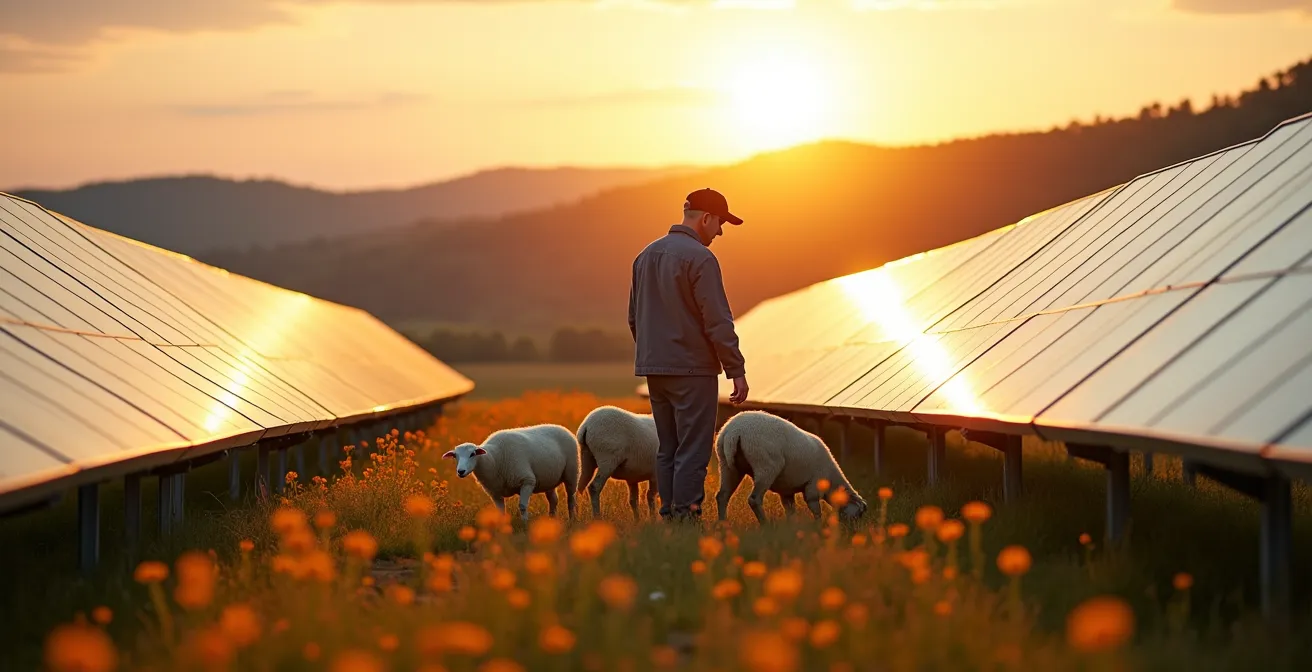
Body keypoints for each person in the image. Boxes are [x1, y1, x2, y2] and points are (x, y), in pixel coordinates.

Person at [628, 187, 749, 522]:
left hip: (655, 369)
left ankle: (668, 514)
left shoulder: (645, 256)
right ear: (706, 218)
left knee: (667, 448)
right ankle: (686, 517)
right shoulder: (701, 258)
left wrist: (654, 354)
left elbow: (634, 318)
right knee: (693, 449)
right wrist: (735, 368)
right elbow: (717, 320)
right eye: (720, 222)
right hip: (693, 371)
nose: (721, 231)